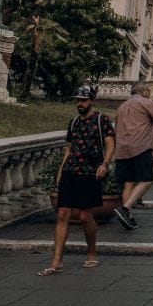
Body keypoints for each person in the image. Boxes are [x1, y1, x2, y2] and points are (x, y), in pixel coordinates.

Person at [39, 86, 114, 275]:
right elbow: (69, 149)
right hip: (70, 172)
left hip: (90, 173)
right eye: (77, 100)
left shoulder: (101, 120)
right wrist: (60, 170)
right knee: (63, 214)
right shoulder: (73, 123)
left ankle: (91, 253)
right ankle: (57, 260)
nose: (80, 103)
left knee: (84, 216)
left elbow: (110, 145)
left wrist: (105, 164)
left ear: (92, 101)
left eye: (84, 100)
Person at [112, 81, 153, 230]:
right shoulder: (146, 102)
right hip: (140, 147)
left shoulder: (121, 107)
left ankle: (129, 217)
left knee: (128, 182)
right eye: (149, 91)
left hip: (122, 149)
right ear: (143, 91)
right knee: (146, 180)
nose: (150, 93)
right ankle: (124, 209)